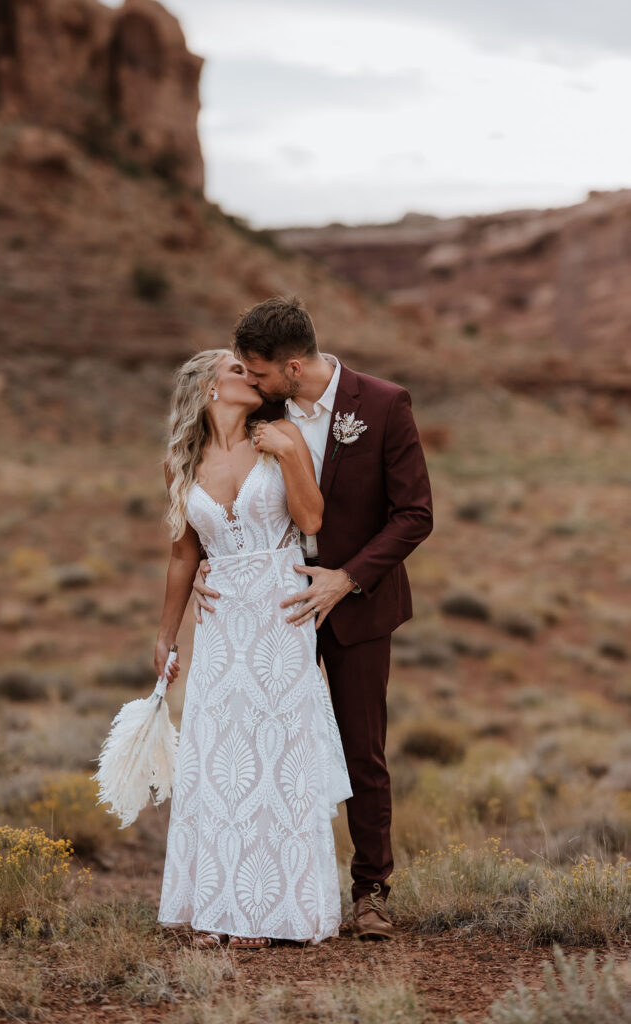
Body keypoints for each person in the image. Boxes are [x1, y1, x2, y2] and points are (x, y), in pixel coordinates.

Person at [189, 297, 434, 941]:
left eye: (259, 370)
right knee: (269, 752)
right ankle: (270, 894)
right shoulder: (260, 408)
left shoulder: (383, 404)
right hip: (270, 613)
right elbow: (217, 485)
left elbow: (414, 515)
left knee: (361, 750)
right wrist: (209, 565)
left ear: (292, 368)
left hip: (356, 604)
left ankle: (372, 893)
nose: (251, 380)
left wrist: (347, 578)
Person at [154, 348, 352, 949]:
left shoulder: (282, 433)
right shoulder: (182, 463)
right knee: (220, 759)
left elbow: (311, 519)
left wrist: (291, 455)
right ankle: (219, 905)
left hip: (282, 611)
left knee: (279, 756)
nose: (252, 375)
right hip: (220, 624)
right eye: (237, 369)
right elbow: (186, 553)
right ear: (208, 389)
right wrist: (166, 633)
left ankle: (273, 911)